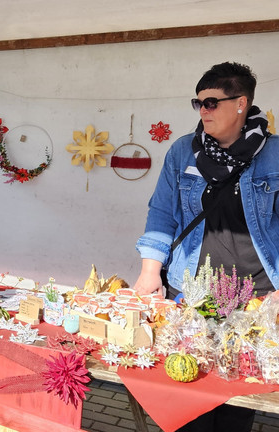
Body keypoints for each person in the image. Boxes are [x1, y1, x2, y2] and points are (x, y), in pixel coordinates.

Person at [134, 62, 279, 431]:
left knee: (236, 396)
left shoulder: (275, 155)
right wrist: (150, 271)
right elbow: (162, 212)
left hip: (256, 298)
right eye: (198, 103)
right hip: (192, 291)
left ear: (241, 103)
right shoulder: (184, 151)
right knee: (186, 391)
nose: (203, 111)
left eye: (212, 103)